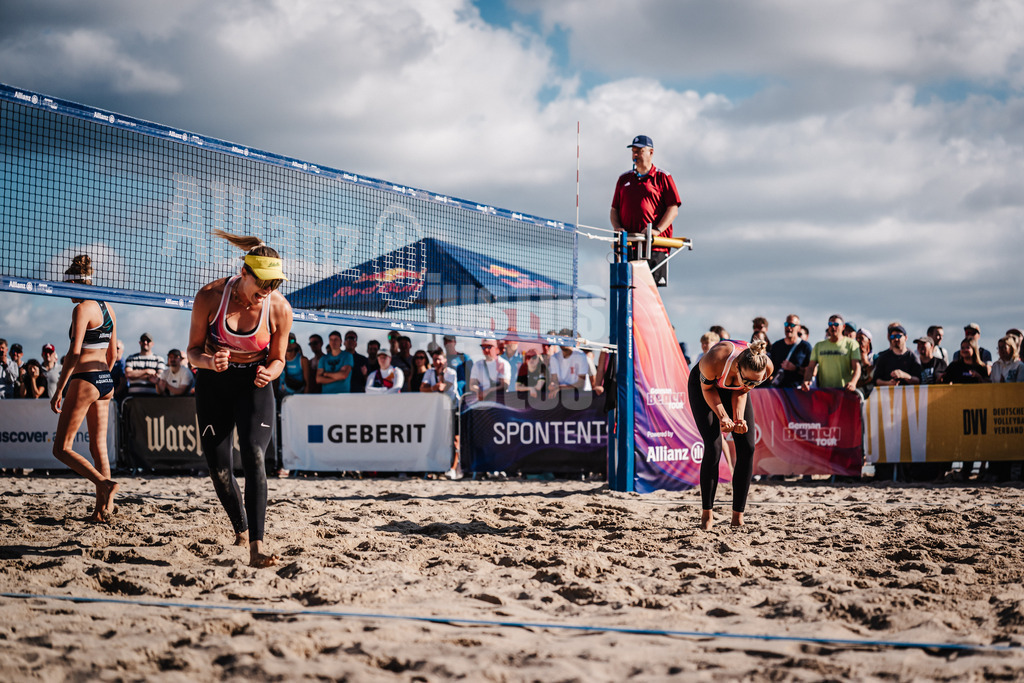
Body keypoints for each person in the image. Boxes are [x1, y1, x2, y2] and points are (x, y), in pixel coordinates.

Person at [186, 229, 292, 568]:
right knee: (218, 469)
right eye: (264, 283)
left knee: (255, 454)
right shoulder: (209, 296)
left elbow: (278, 358)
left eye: (275, 284)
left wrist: (271, 372)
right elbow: (191, 352)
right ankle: (242, 529)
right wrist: (208, 361)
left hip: (254, 383)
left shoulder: (279, 308)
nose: (269, 290)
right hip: (214, 380)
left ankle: (256, 546)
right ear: (244, 272)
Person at [49, 254, 119, 523]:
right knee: (98, 447)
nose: (65, 292)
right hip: (105, 380)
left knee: (61, 449)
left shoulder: (80, 309)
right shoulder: (109, 308)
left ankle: (103, 483)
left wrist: (60, 388)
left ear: (75, 283)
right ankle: (102, 510)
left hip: (86, 379)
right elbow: (113, 354)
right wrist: (103, 379)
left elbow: (74, 353)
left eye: (67, 287)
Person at [688, 339, 773, 530]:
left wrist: (738, 419)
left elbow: (742, 391)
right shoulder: (715, 359)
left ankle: (737, 516)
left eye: (757, 382)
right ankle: (707, 515)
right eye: (750, 380)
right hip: (706, 388)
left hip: (734, 388)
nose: (753, 385)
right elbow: (708, 390)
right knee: (714, 447)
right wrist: (723, 417)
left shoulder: (765, 368)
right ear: (737, 367)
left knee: (747, 448)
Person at [609, 134, 682, 287]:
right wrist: (617, 228)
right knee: (626, 290)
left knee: (649, 292)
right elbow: (614, 209)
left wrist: (657, 229)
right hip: (628, 245)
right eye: (633, 151)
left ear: (651, 152)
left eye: (640, 151)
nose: (635, 155)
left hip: (655, 246)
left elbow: (673, 209)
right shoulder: (624, 179)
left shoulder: (663, 177)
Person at [421, 349, 460, 478]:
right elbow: (422, 388)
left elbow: (444, 387)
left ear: (445, 360)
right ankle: (436, 467)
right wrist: (433, 387)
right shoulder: (429, 372)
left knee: (454, 439)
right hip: (437, 410)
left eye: (439, 359)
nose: (437, 362)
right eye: (435, 360)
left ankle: (453, 468)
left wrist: (440, 376)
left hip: (452, 408)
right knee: (437, 438)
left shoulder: (451, 373)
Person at [802, 315, 861, 393]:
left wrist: (853, 383)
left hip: (845, 392)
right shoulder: (819, 346)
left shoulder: (851, 344)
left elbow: (857, 367)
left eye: (836, 325)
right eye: (830, 324)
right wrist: (806, 380)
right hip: (825, 392)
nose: (833, 327)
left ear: (843, 327)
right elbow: (811, 367)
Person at [768, 315, 811, 388]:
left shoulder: (805, 346)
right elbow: (769, 368)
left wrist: (795, 368)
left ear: (799, 328)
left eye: (792, 325)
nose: (789, 327)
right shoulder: (776, 346)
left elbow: (812, 371)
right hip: (777, 391)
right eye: (786, 324)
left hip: (797, 391)